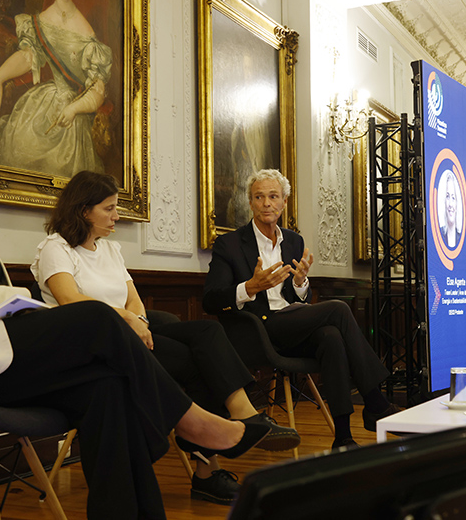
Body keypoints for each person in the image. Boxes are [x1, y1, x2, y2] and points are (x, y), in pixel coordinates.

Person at [0, 105, 270, 519]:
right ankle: (194, 423)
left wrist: (14, 305)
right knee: (98, 318)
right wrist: (19, 301)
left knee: (106, 387)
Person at [31, 171, 300, 505]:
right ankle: (208, 469)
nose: (117, 215)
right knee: (197, 363)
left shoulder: (111, 249)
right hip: (91, 344)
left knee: (208, 331)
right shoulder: (55, 248)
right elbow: (70, 300)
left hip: (130, 330)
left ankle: (243, 416)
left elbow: (133, 297)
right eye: (110, 208)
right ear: (84, 210)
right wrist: (129, 319)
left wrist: (138, 319)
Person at [202, 169, 399, 450]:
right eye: (259, 197)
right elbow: (209, 299)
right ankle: (375, 402)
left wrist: (300, 282)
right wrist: (251, 286)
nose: (266, 203)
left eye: (273, 197)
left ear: (284, 202)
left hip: (292, 324)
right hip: (258, 329)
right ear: (250, 202)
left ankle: (343, 436)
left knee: (331, 336)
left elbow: (300, 302)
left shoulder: (293, 241)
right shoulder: (230, 244)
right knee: (340, 309)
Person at [0, 0, 112, 176]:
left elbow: (98, 90)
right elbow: (27, 57)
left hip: (73, 117)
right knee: (20, 143)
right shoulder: (40, 21)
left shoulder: (86, 32)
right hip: (43, 105)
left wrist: (73, 109)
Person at [440, 171, 461, 248]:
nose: (450, 204)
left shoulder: (461, 236)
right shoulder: (440, 235)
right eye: (447, 197)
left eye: (453, 198)